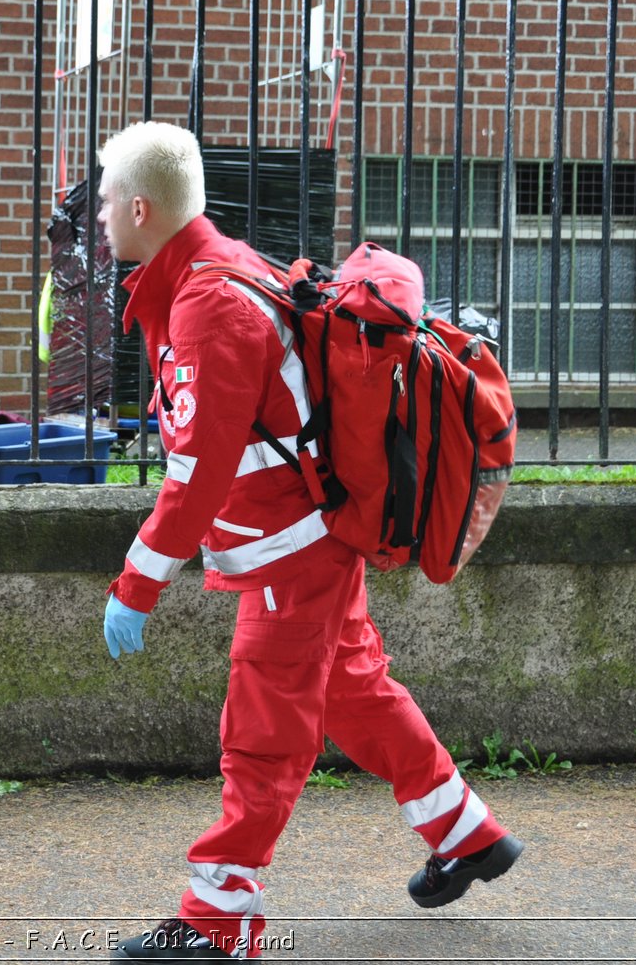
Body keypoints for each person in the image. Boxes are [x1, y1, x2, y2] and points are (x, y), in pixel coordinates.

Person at [94, 122, 522, 961]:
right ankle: (468, 833)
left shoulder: (206, 304)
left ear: (141, 208)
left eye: (106, 197)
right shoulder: (221, 272)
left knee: (261, 731)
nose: (99, 211)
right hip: (308, 537)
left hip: (290, 549)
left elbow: (197, 475)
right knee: (355, 691)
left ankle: (221, 922)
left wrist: (135, 583)